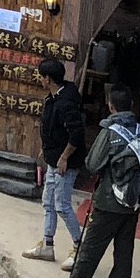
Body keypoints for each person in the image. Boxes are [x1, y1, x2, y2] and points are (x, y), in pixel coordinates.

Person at [40, 86, 140, 278]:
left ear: (110, 106)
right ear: (131, 106)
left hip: (108, 200)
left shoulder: (110, 131)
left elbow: (92, 164)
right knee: (124, 252)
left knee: (89, 250)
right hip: (133, 201)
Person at [23, 56, 86, 266]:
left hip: (64, 164)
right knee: (48, 202)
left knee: (62, 206)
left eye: (41, 76)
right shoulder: (53, 98)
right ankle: (47, 245)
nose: (39, 80)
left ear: (48, 79)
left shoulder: (67, 103)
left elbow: (76, 134)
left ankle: (79, 249)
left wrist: (64, 157)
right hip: (53, 158)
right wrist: (46, 148)